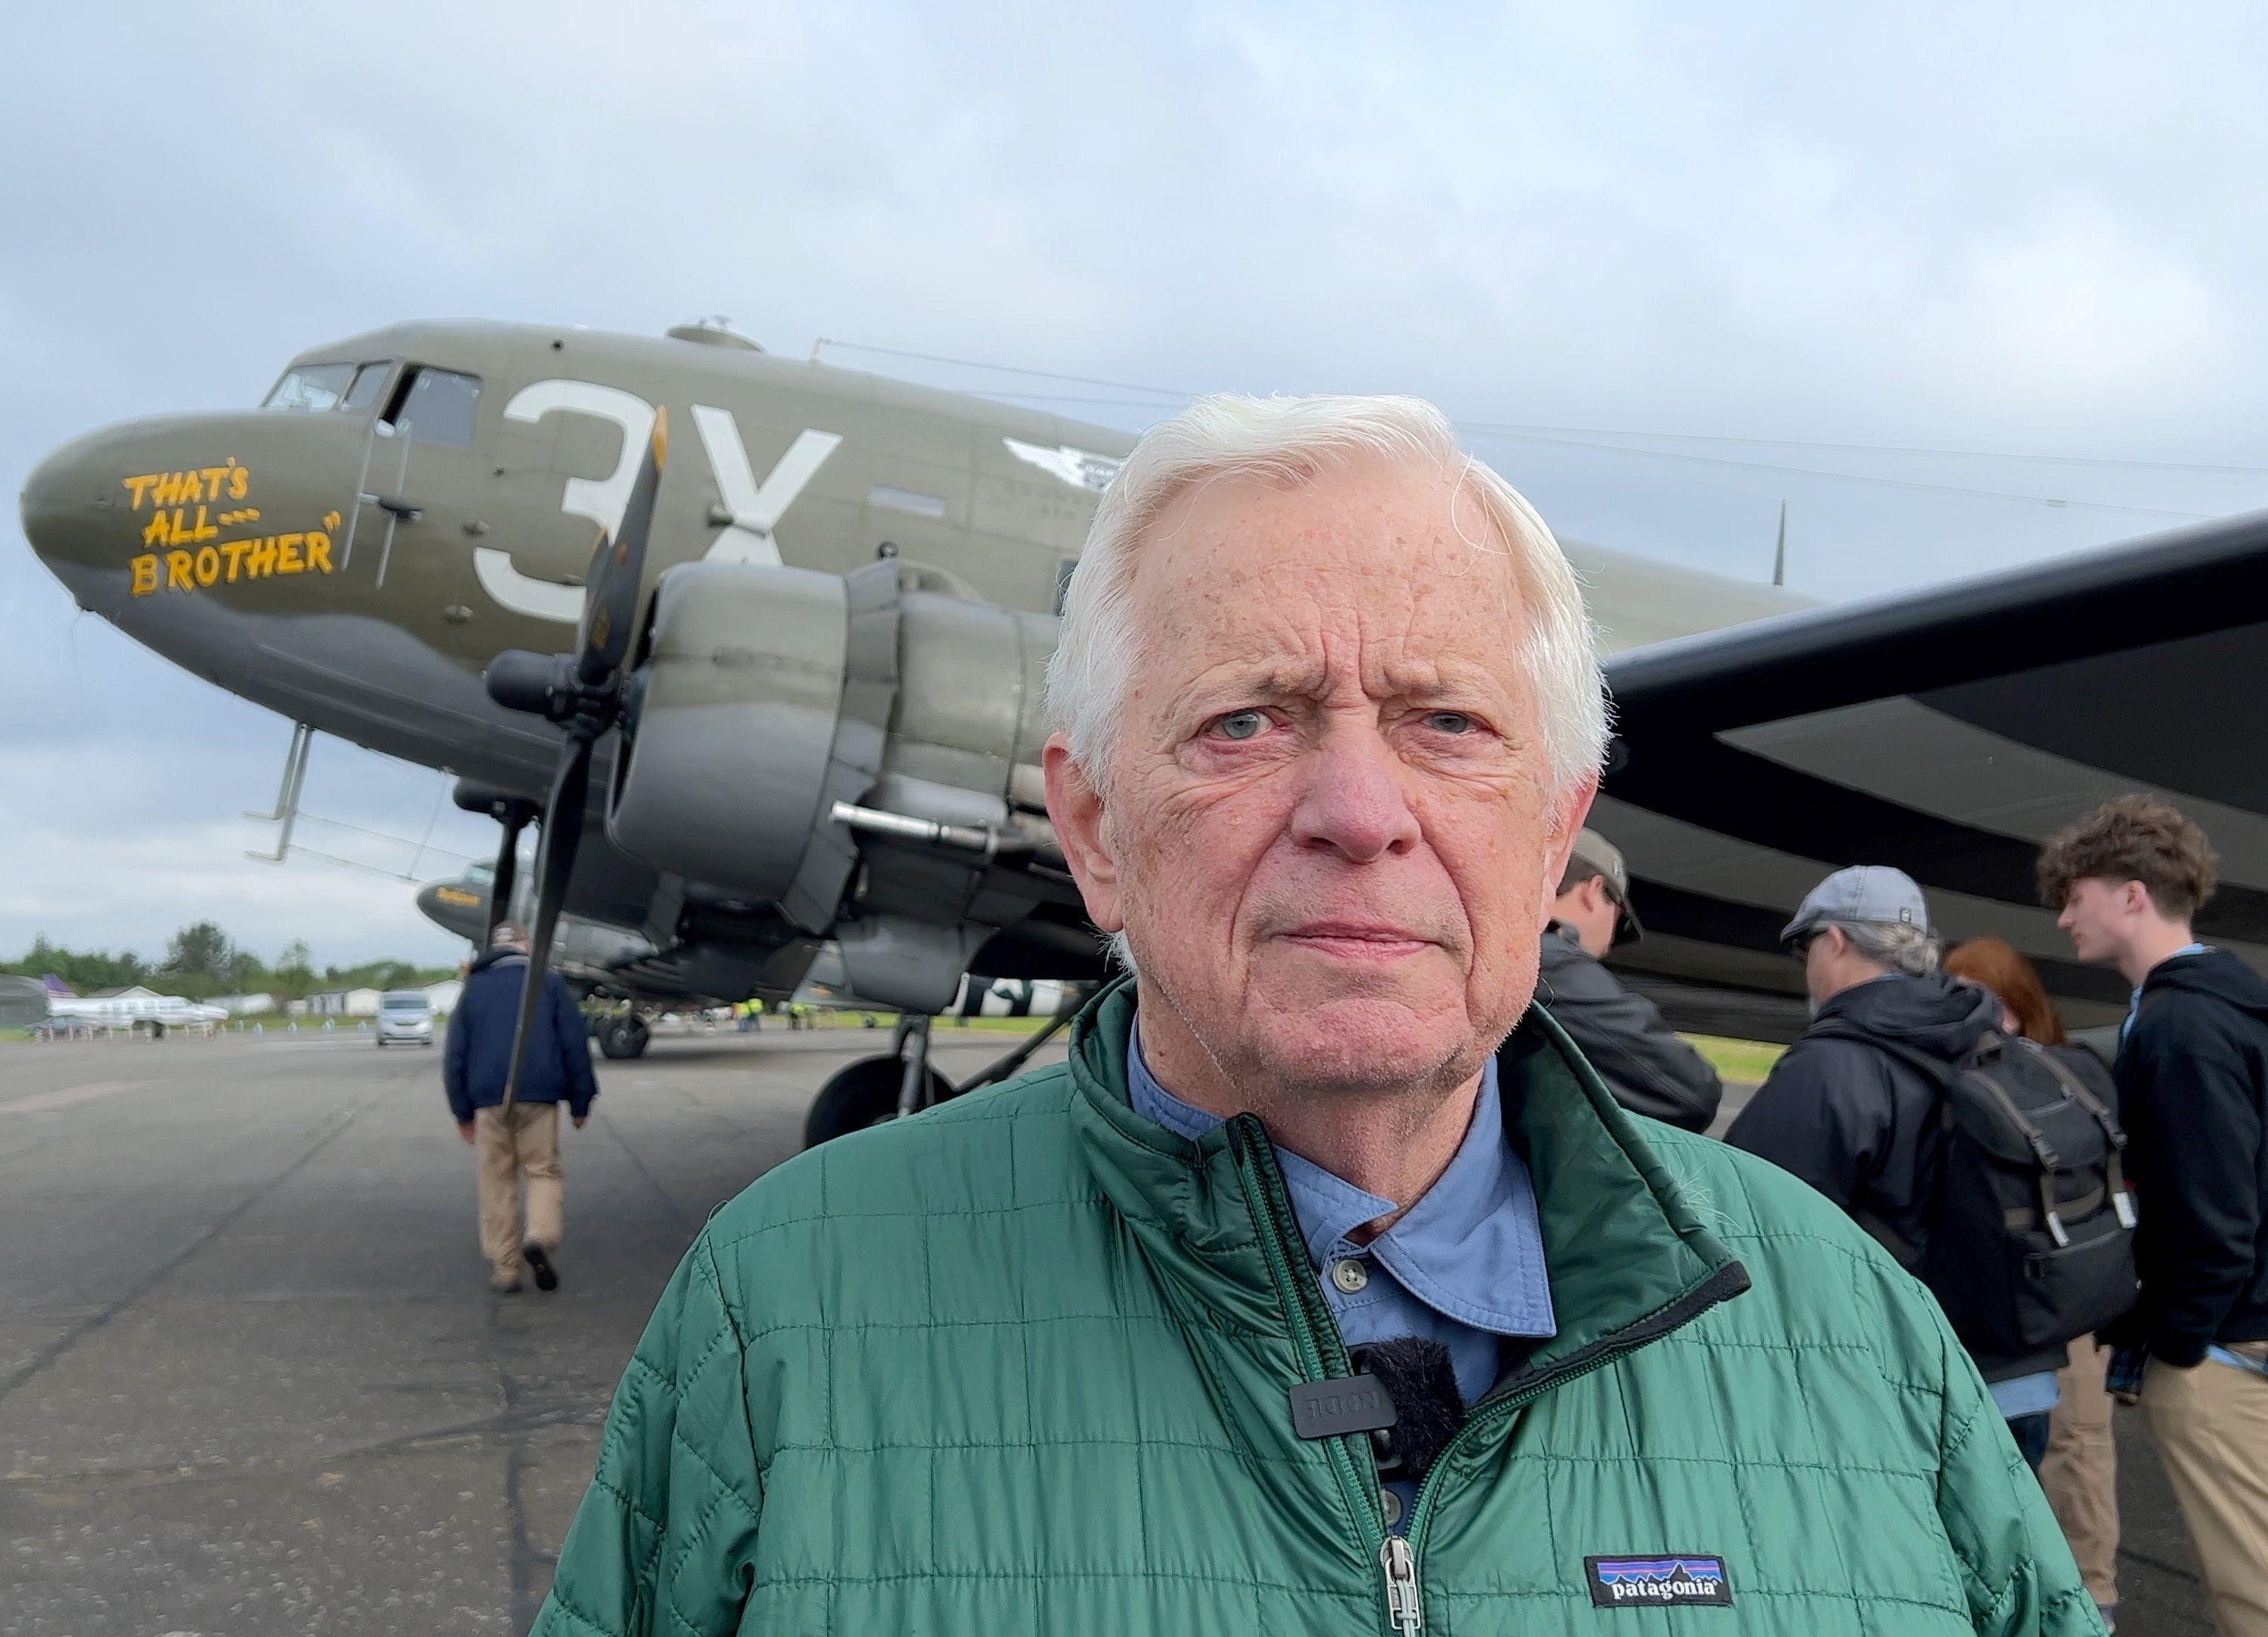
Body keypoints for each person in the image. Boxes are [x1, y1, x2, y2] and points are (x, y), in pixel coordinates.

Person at [535, 395, 2095, 1634]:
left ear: (1557, 834)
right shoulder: (772, 1309)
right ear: (1089, 831)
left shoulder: (1842, 1308)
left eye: (1448, 723)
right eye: (1243, 721)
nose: (1360, 809)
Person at [2041, 797, 2268, 1637]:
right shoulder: (2217, 1003)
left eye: (2076, 896)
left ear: (2132, 895)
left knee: (2265, 1596)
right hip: (2251, 1327)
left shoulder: (2182, 1022)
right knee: (2258, 1574)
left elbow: (2215, 1218)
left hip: (2221, 1349)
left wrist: (2175, 1343)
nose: (2064, 917)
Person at [1725, 867, 2067, 1463]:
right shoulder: (1996, 1045)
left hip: (1896, 1398)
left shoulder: (1830, 1068)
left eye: (1809, 947)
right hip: (2018, 1385)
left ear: (1834, 941)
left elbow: (1746, 1231)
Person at [1943, 936, 2124, 1628]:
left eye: (1980, 997)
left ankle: (2092, 1594)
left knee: (2077, 1442)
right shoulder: (2055, 1076)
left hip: (2066, 1295)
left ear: (2016, 1009)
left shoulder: (2062, 1075)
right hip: (2040, 1293)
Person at [443, 922, 597, 1294]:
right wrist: (581, 1099)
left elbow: (456, 1055)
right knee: (542, 1171)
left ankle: (506, 1269)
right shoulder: (549, 983)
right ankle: (540, 1237)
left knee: (496, 1184)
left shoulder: (474, 989)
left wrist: (461, 1111)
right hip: (539, 1098)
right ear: (525, 945)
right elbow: (574, 1043)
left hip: (488, 1103)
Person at [1535, 826, 1724, 1130]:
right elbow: (1690, 1092)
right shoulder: (1552, 962)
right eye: (1619, 919)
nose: (1610, 944)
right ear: (1594, 892)